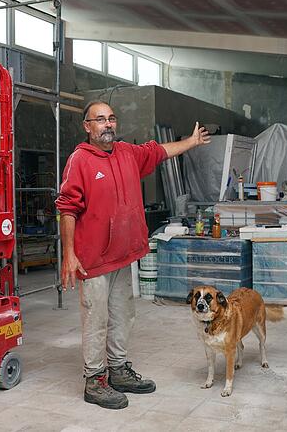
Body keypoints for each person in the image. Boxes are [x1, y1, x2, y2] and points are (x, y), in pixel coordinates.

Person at [55, 100, 210, 409]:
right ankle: (95, 380)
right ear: (87, 126)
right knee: (96, 320)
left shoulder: (128, 153)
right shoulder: (80, 160)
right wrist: (68, 254)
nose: (108, 124)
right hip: (94, 261)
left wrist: (191, 142)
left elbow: (160, 151)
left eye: (112, 118)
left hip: (122, 255)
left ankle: (118, 370)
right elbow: (67, 209)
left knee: (123, 315)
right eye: (100, 120)